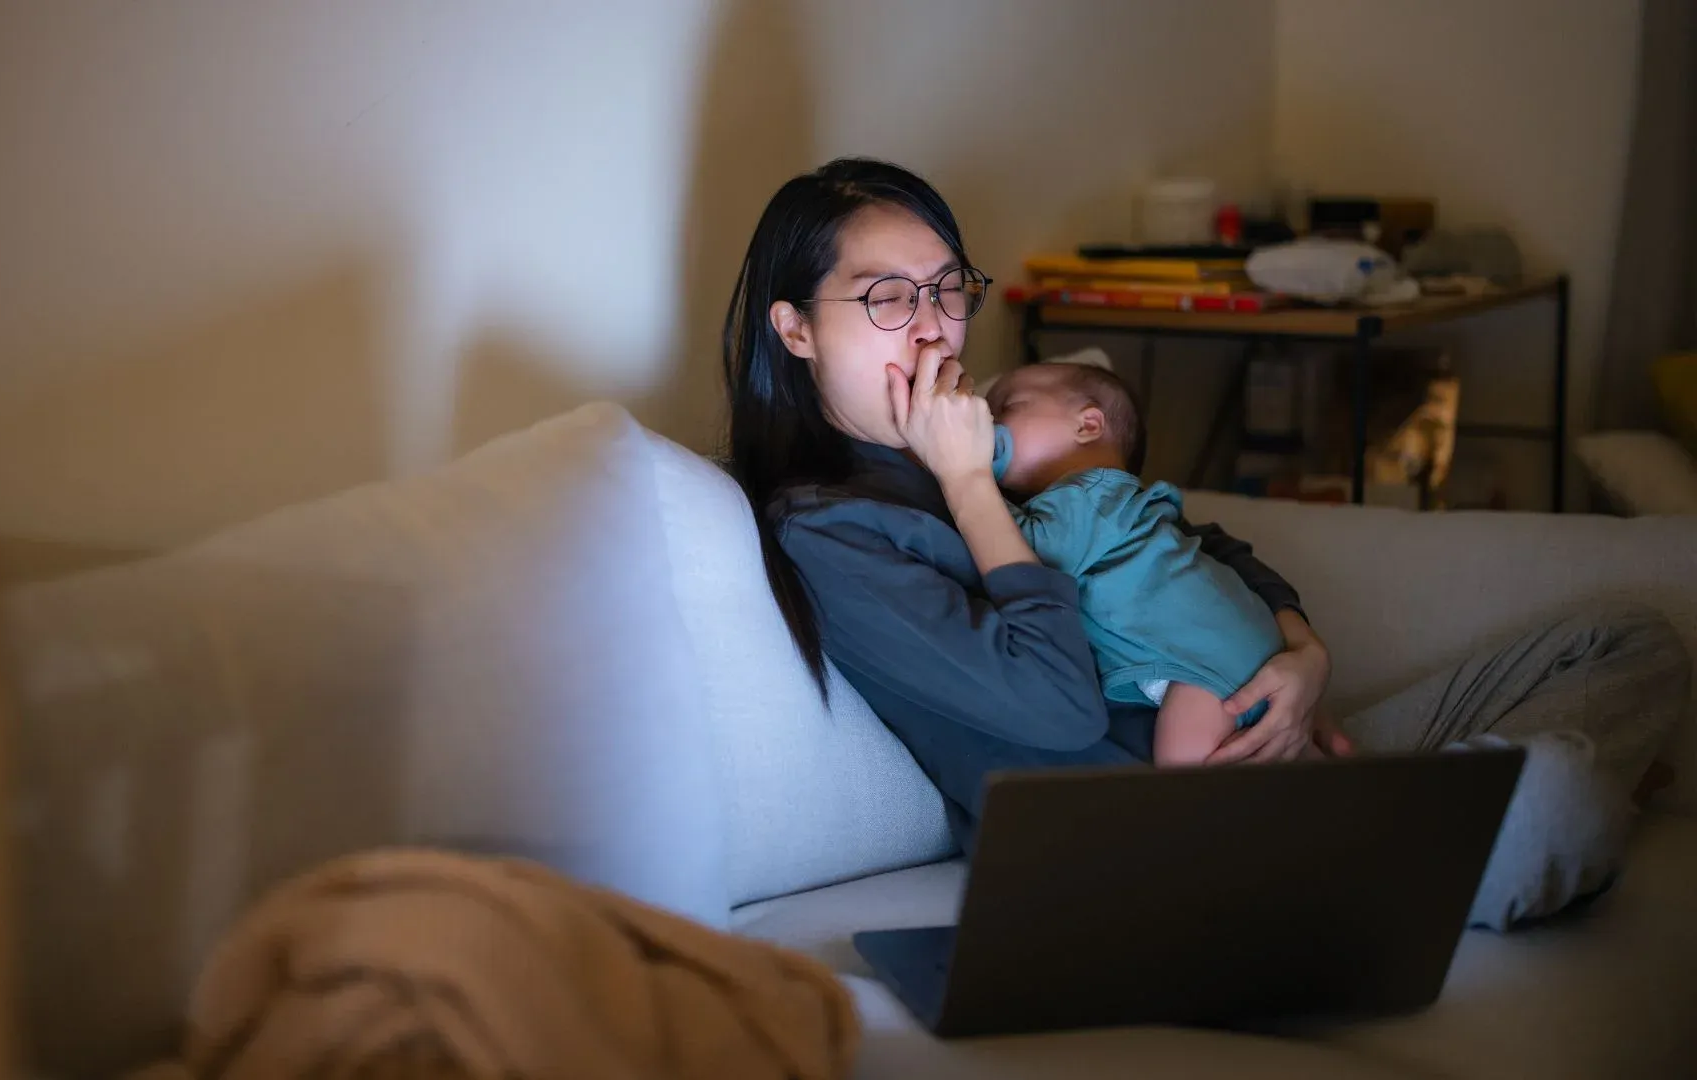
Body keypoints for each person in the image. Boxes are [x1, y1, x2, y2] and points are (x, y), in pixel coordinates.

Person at [720, 156, 1688, 931]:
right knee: (1552, 801)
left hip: (1271, 748)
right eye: (888, 298)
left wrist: (1302, 653)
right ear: (795, 328)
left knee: (1626, 637)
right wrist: (970, 486)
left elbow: (1185, 529)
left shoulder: (975, 440)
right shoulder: (833, 529)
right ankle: (1454, 835)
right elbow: (1052, 709)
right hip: (1175, 843)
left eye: (947, 290)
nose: (935, 332)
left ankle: (1436, 827)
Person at [985, 360, 1283, 765]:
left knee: (1186, 784)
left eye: (1008, 406)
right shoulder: (1111, 502)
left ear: (1088, 425)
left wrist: (969, 478)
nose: (989, 420)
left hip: (1208, 664)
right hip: (1233, 649)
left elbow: (1030, 555)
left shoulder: (1090, 494)